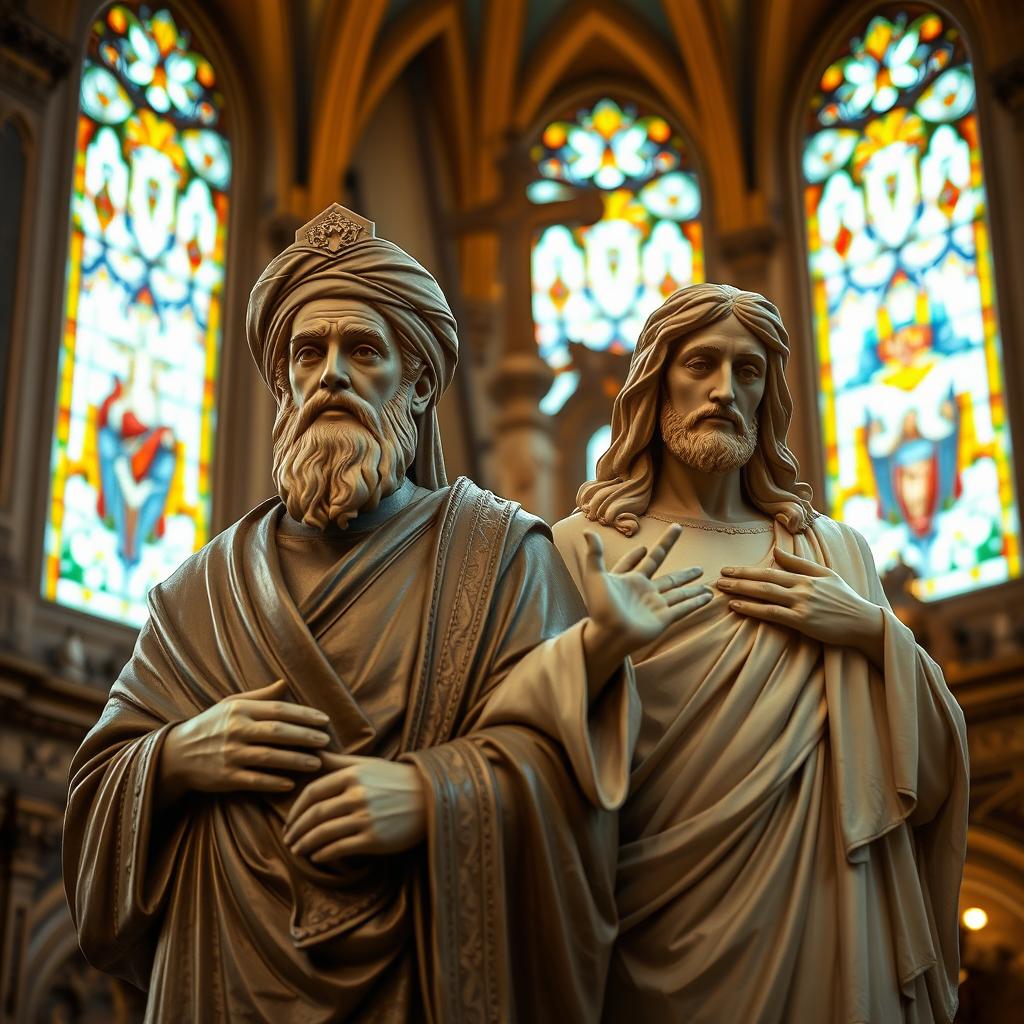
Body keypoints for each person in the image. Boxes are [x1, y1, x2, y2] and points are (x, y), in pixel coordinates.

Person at [63, 206, 712, 1022]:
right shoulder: (199, 591)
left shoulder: (505, 554)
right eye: (308, 352)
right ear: (282, 383)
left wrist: (432, 797)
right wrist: (176, 757)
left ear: (417, 382)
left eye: (363, 350)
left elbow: (568, 775)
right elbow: (96, 790)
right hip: (223, 968)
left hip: (421, 977)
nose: (331, 374)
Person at [553, 282, 969, 1023]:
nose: (723, 390)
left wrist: (874, 634)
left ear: (769, 392)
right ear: (655, 382)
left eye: (748, 371)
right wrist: (594, 651)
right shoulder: (580, 547)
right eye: (700, 365)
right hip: (644, 904)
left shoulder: (830, 550)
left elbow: (927, 778)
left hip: (824, 903)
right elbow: (529, 752)